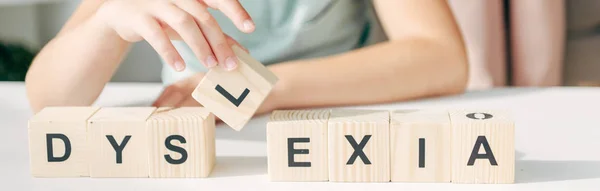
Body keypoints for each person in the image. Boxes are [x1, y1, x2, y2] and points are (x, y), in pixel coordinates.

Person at [25, 0, 468, 114]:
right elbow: (50, 98)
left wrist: (259, 90)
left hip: (348, 119)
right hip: (205, 141)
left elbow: (442, 58)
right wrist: (106, 24)